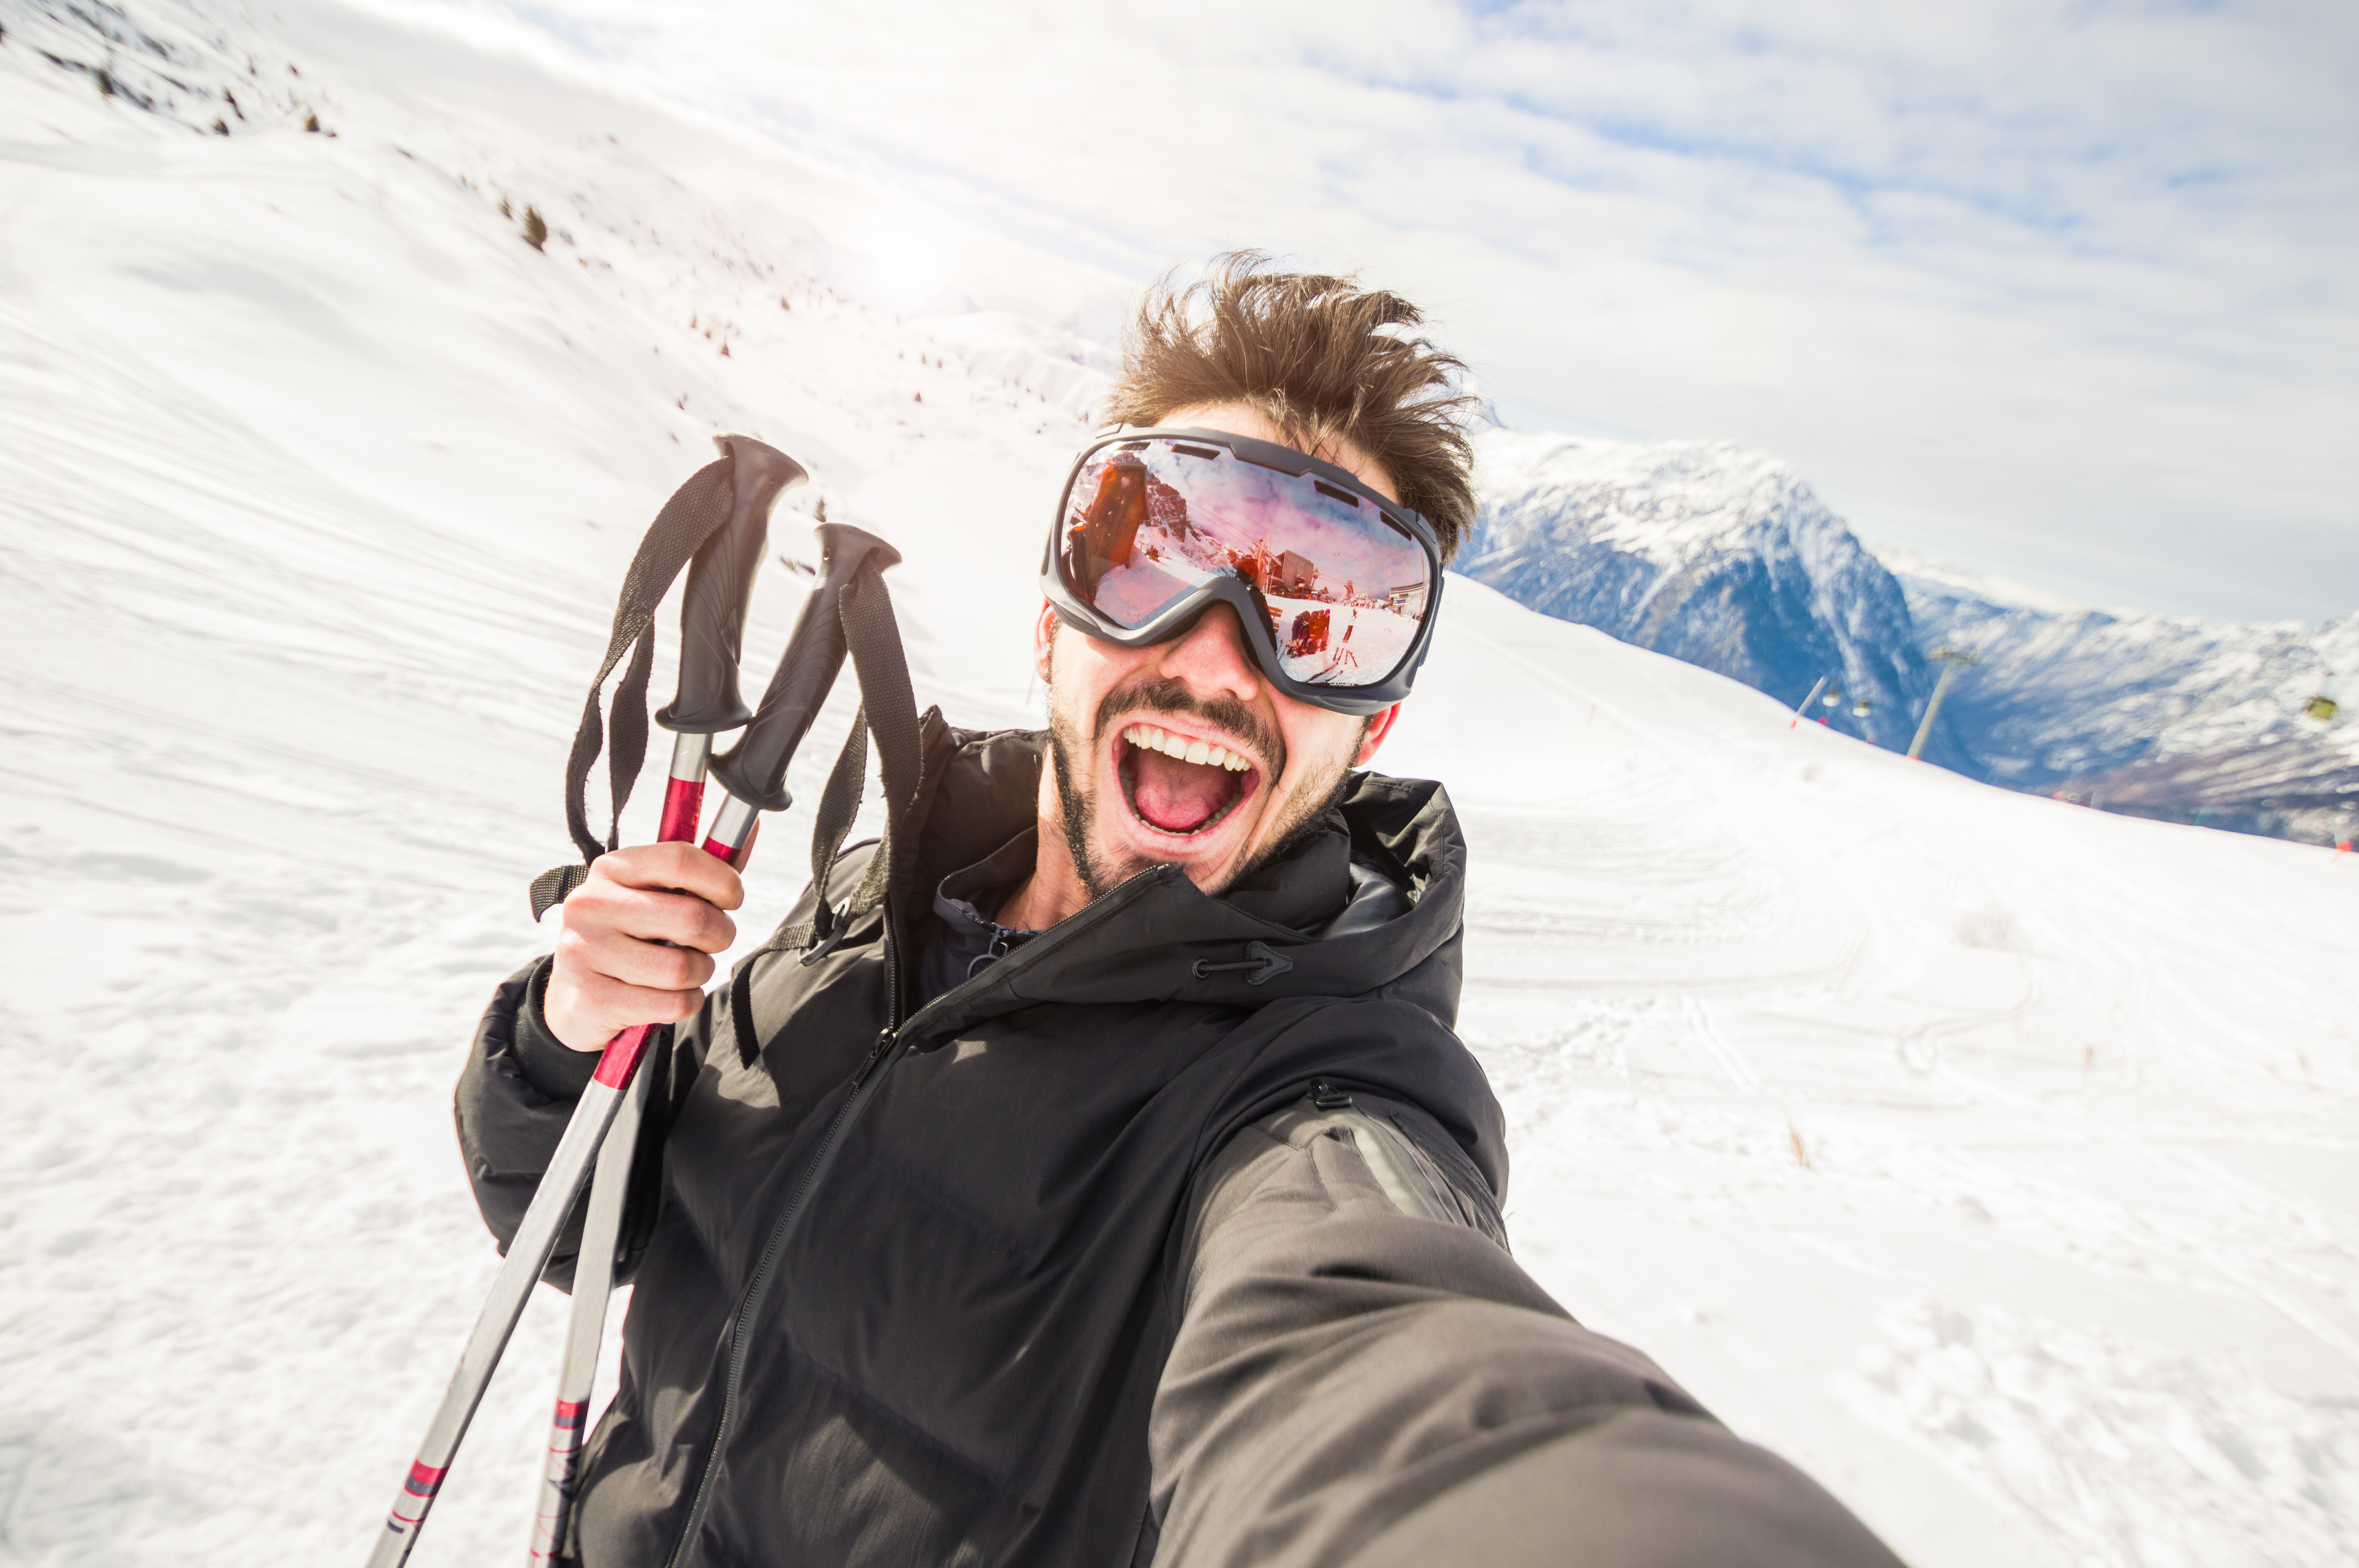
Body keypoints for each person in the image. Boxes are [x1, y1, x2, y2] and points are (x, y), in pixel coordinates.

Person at [456, 253, 1903, 1567]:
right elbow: (585, 1230)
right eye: (1152, 550)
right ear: (1053, 623)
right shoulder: (875, 901)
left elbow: (1369, 1344)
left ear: (1374, 725)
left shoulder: (1314, 1097)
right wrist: (568, 1035)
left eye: (1323, 610)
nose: (1217, 653)